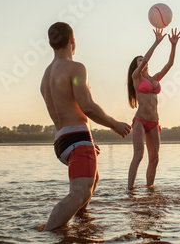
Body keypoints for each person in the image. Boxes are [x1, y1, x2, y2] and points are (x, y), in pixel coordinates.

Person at [40, 22, 131, 231]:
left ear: (50, 43)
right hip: (77, 138)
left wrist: (84, 142)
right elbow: (87, 107)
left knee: (92, 179)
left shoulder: (46, 75)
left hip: (61, 142)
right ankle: (47, 233)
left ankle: (83, 222)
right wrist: (114, 124)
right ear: (73, 39)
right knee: (80, 192)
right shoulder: (76, 67)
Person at [127, 28, 180, 189]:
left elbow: (170, 64)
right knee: (138, 156)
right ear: (136, 65)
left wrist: (173, 45)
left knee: (155, 158)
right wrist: (157, 42)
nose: (143, 61)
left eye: (143, 60)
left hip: (153, 122)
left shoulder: (154, 78)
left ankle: (150, 190)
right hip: (140, 121)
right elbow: (145, 61)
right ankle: (130, 190)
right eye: (139, 60)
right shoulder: (136, 77)